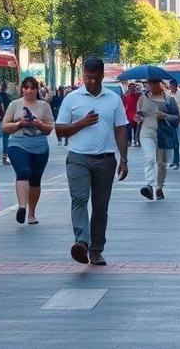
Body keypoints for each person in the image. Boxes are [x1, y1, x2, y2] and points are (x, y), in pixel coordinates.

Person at [55, 57, 129, 266]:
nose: (92, 82)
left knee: (100, 207)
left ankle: (96, 250)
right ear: (82, 75)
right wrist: (81, 123)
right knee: (79, 199)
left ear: (102, 76)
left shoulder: (113, 99)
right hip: (78, 158)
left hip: (106, 160)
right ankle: (81, 242)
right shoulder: (71, 99)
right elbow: (60, 130)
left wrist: (123, 159)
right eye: (88, 78)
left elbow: (121, 128)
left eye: (96, 78)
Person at [2, 76, 54, 224]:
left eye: (32, 88)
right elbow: (4, 126)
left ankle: (31, 213)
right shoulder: (14, 104)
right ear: (22, 89)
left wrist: (38, 124)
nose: (29, 90)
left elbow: (49, 128)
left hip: (39, 146)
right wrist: (20, 123)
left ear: (37, 90)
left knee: (35, 180)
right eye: (26, 87)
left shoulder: (44, 106)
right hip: (18, 143)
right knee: (23, 172)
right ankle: (22, 206)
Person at [136, 77, 179, 200]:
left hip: (164, 134)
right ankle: (149, 186)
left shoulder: (169, 99)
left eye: (155, 83)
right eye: (150, 83)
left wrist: (164, 115)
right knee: (150, 158)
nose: (152, 85)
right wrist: (138, 118)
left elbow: (177, 118)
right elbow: (138, 114)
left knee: (162, 164)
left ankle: (159, 187)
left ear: (160, 84)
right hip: (147, 133)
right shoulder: (143, 98)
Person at [123, 82, 142, 147]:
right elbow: (124, 106)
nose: (132, 89)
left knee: (136, 129)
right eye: (130, 88)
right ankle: (129, 141)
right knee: (129, 129)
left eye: (133, 87)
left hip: (137, 115)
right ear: (129, 89)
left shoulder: (139, 96)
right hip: (128, 115)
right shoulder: (126, 97)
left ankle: (137, 141)